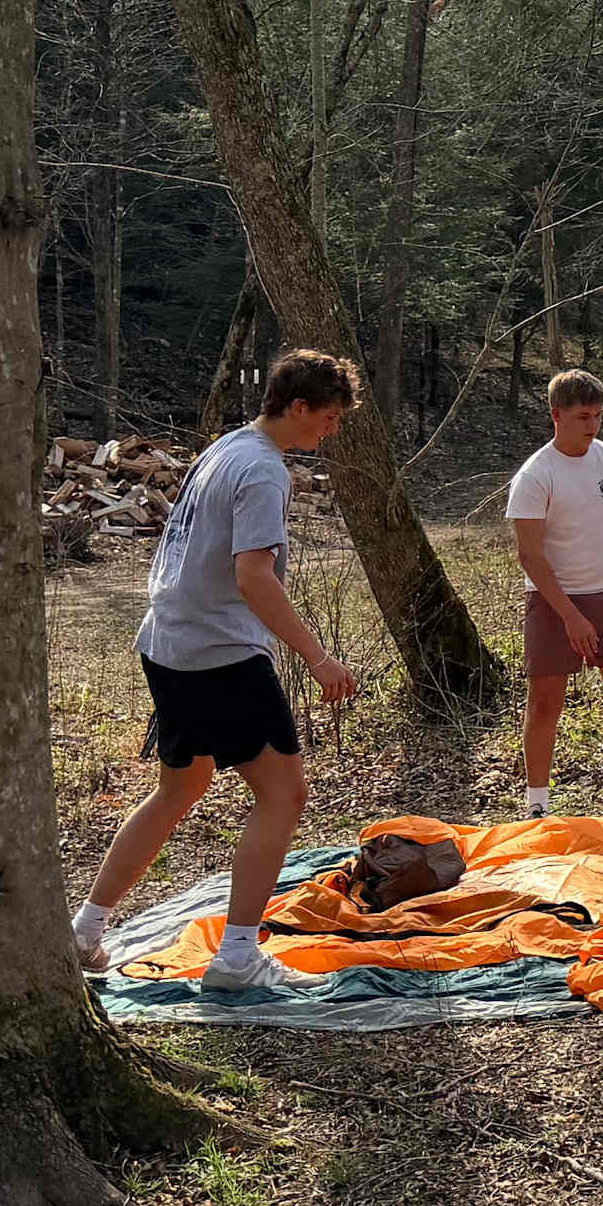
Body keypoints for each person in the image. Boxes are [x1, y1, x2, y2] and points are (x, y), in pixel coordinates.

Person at [71, 349, 365, 991]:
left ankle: (86, 931)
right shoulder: (262, 472)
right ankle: (236, 957)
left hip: (167, 643)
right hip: (218, 652)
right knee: (284, 795)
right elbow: (253, 576)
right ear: (297, 407)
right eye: (330, 417)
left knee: (180, 788)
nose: (332, 430)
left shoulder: (228, 446)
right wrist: (317, 656)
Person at [508, 368, 603, 819]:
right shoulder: (536, 474)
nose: (592, 425)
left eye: (597, 415)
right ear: (557, 415)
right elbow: (531, 555)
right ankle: (537, 808)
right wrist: (570, 616)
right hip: (553, 601)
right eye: (582, 417)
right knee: (544, 703)